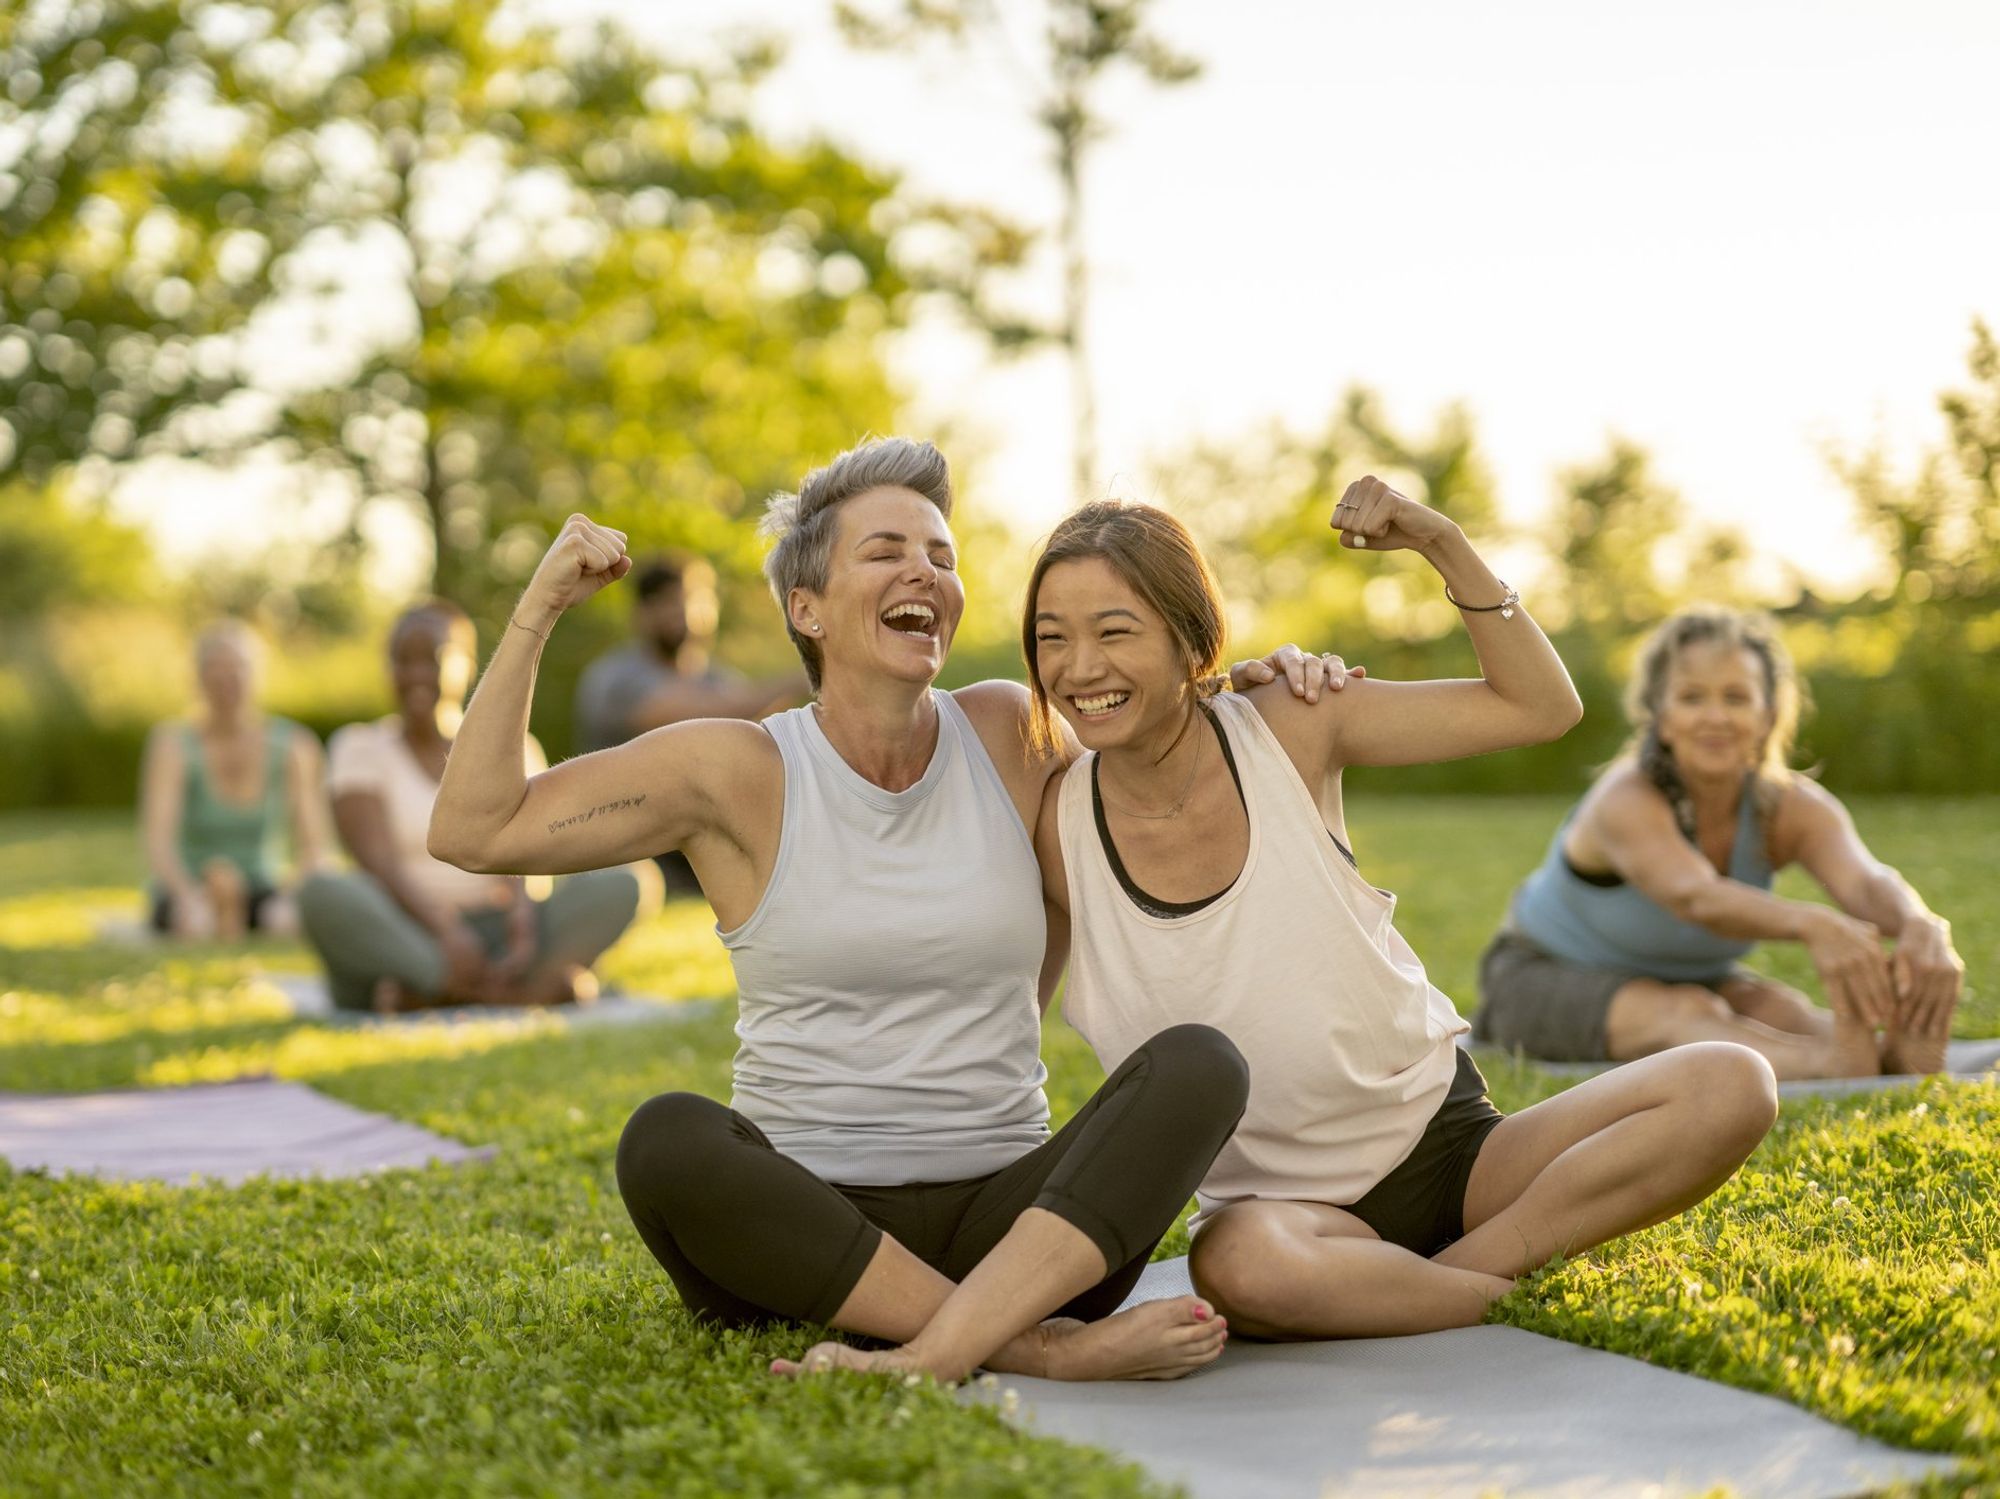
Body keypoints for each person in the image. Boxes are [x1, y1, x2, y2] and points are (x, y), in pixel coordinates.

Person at [427, 437, 1346, 1383]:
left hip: (1015, 1232)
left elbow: (1148, 721)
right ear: (806, 606)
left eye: (942, 557)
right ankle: (1032, 1346)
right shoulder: (736, 769)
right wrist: (536, 610)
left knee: (1200, 1065)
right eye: (885, 552)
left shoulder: (1010, 731)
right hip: (801, 1236)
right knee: (666, 1138)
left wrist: (1257, 690)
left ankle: (957, 1335)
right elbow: (475, 828)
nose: (924, 571)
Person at [1025, 481, 1779, 1340]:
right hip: (1286, 1218)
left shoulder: (1291, 724)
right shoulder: (1054, 829)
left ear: (1190, 637)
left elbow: (1539, 706)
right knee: (1236, 1267)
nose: (1079, 668)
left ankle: (1441, 1280)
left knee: (1732, 1082)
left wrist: (1441, 539)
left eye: (1114, 631)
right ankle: (1499, 1290)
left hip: (1458, 1154)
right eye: (1053, 639)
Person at [1474, 605, 1964, 1079]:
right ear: (1661, 718)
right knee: (1690, 1012)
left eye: (1735, 697)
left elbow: (1864, 881)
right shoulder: (1626, 797)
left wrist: (1920, 924)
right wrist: (1813, 923)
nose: (1715, 717)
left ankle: (1890, 1050)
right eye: (1692, 698)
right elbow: (1696, 896)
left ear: (1768, 716)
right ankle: (1831, 1066)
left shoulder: (1791, 807)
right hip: (1541, 976)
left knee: (1781, 1010)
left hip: (1692, 976)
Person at [297, 600, 652, 1013]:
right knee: (321, 892)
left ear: (465, 665)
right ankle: (508, 991)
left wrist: (523, 922)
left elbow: (529, 852)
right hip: (405, 932)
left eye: (429, 659)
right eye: (401, 660)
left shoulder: (513, 747)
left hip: (496, 931)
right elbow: (377, 861)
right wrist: (445, 930)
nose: (414, 674)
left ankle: (436, 996)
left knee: (629, 881)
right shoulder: (360, 746)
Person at [574, 552, 803, 892]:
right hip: (627, 843)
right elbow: (697, 711)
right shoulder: (614, 678)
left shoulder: (723, 681)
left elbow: (765, 742)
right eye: (665, 602)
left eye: (691, 599)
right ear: (641, 614)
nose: (680, 612)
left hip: (703, 841)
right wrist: (811, 674)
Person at [139, 620, 331, 940]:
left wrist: (289, 897)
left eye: (238, 667)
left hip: (261, 887)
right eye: (216, 668)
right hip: (190, 885)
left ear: (257, 674)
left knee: (286, 922)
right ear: (198, 677)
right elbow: (159, 843)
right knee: (197, 925)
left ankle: (235, 908)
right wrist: (187, 895)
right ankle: (219, 904)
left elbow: (313, 846)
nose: (227, 678)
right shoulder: (172, 744)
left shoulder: (293, 745)